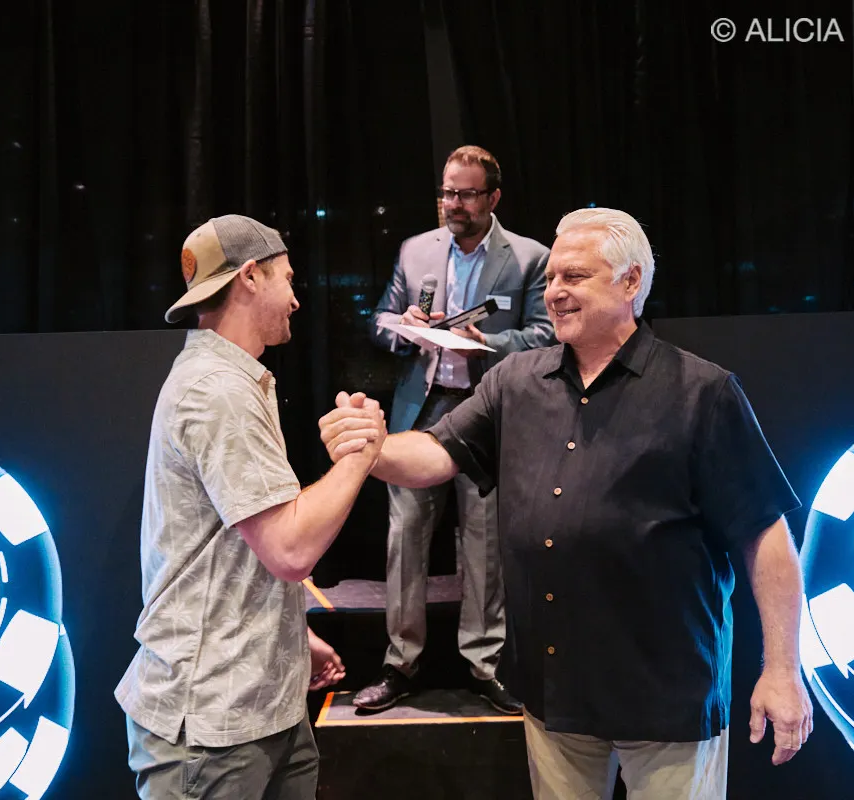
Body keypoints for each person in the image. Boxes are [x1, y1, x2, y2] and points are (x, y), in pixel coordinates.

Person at [321, 207, 813, 799]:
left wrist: (782, 669)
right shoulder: (514, 382)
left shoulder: (702, 392)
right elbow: (434, 454)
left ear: (631, 282)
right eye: (551, 277)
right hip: (553, 692)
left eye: (574, 277)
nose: (554, 291)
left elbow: (765, 537)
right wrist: (371, 448)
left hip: (667, 695)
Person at [116, 215, 383, 800]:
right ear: (251, 276)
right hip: (214, 723)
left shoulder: (229, 380)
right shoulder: (218, 390)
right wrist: (360, 454)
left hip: (258, 709)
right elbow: (289, 549)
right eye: (288, 279)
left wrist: (290, 637)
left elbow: (230, 545)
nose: (295, 299)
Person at [360, 145, 554, 714]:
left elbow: (545, 336)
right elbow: (380, 320)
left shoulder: (528, 258)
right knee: (404, 538)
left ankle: (485, 664)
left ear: (493, 198)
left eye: (467, 194)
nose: (454, 204)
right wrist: (404, 327)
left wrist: (485, 343)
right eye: (448, 192)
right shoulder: (416, 250)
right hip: (421, 413)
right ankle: (400, 664)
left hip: (485, 412)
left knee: (484, 542)